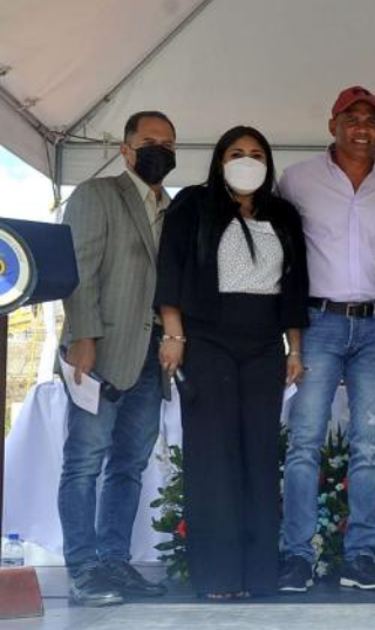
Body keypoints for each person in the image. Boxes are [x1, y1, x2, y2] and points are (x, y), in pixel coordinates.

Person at [155, 126, 308, 598]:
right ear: (220, 160)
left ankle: (258, 575)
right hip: (207, 341)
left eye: (256, 153)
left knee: (259, 455)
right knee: (213, 456)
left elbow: (295, 285)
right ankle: (218, 576)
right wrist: (174, 334)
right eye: (236, 152)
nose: (247, 160)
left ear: (268, 162)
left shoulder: (283, 213)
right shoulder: (193, 204)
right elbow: (171, 269)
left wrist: (295, 347)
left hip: (264, 345)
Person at [278, 86, 375, 593]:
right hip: (319, 323)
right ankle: (297, 556)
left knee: (369, 447)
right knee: (304, 442)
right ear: (332, 125)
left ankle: (361, 556)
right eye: (351, 118)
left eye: (371, 120)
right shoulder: (296, 180)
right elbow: (280, 255)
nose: (361, 128)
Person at [58, 111, 176, 607]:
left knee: (129, 466)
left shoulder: (171, 207)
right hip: (99, 353)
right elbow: (78, 269)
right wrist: (84, 336)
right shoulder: (96, 194)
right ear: (126, 149)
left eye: (168, 143)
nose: (159, 150)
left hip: (150, 359)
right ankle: (83, 569)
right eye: (149, 141)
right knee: (85, 463)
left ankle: (114, 561)